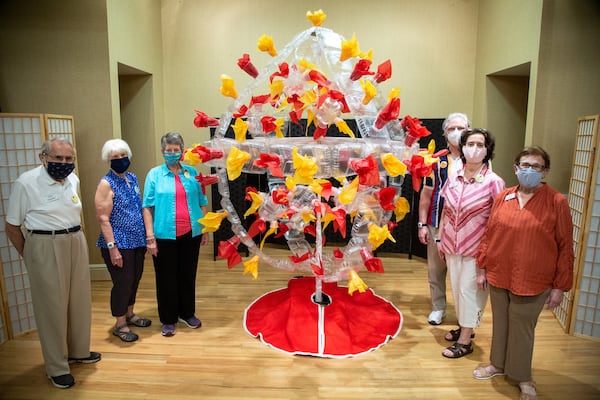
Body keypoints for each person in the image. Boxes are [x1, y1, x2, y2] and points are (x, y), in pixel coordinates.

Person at [473, 146, 573, 400]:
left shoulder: (556, 201)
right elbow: (489, 235)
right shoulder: (503, 197)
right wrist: (482, 267)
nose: (529, 170)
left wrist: (560, 286)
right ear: (516, 168)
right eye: (524, 165)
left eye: (536, 166)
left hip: (534, 278)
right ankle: (498, 364)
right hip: (499, 272)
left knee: (522, 328)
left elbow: (565, 245)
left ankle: (523, 377)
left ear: (545, 171)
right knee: (502, 322)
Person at [5, 138, 101, 389]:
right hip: (45, 244)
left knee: (79, 301)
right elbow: (12, 226)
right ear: (43, 157)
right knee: (52, 308)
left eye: (69, 159)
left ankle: (78, 351)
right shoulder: (25, 183)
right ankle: (57, 367)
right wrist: (31, 256)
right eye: (58, 158)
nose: (64, 163)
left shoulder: (73, 179)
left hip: (75, 240)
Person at [438, 128, 505, 358]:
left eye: (480, 144)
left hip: (477, 250)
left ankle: (465, 341)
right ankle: (463, 327)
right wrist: (440, 237)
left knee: (470, 292)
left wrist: (489, 256)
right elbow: (445, 210)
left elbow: (498, 222)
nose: (474, 148)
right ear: (462, 147)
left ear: (487, 150)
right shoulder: (455, 175)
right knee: (457, 290)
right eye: (470, 143)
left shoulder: (494, 182)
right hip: (451, 245)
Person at [142, 132, 210, 337]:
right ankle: (168, 318)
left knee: (188, 275)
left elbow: (202, 202)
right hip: (164, 235)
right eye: (168, 150)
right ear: (163, 151)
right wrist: (150, 237)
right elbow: (147, 206)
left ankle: (187, 313)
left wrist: (205, 228)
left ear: (182, 150)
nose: (172, 153)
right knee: (166, 278)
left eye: (176, 149)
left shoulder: (192, 172)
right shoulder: (154, 175)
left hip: (192, 233)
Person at [94, 139, 151, 343]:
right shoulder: (106, 183)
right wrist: (112, 248)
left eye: (122, 156)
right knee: (122, 282)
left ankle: (130, 314)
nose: (120, 160)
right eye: (114, 158)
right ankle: (120, 324)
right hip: (118, 242)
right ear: (108, 160)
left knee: (134, 279)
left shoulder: (132, 178)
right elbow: (103, 218)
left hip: (137, 240)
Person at [418, 112, 469, 325]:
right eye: (452, 129)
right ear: (445, 133)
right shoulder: (436, 161)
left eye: (461, 128)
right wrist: (422, 223)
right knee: (436, 270)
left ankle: (464, 313)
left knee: (463, 273)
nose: (456, 133)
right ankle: (438, 307)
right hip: (437, 223)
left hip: (467, 227)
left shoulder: (477, 160)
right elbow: (427, 193)